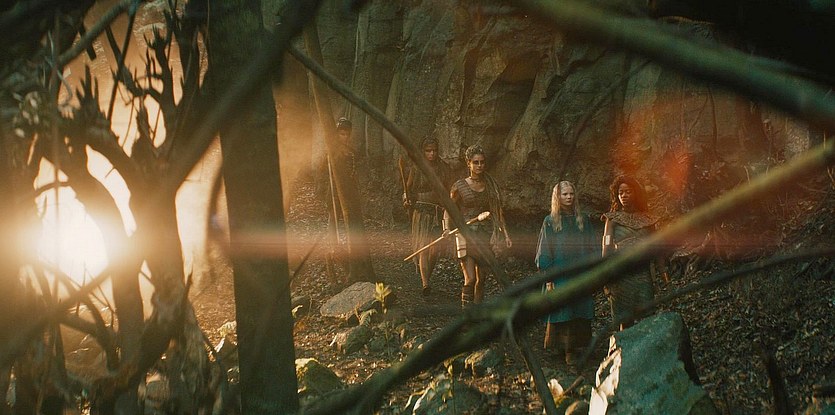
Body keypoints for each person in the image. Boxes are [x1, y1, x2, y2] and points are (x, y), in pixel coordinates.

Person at [536, 181, 596, 365]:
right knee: (564, 308)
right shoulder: (550, 221)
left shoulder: (583, 220)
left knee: (579, 306)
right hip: (560, 272)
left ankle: (578, 348)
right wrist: (549, 276)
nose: (569, 197)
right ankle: (563, 349)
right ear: (558, 197)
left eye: (571, 193)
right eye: (565, 194)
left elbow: (592, 246)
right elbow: (545, 250)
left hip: (580, 271)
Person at [446, 144, 512, 306]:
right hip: (465, 235)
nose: (479, 165)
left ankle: (477, 313)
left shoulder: (491, 185)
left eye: (482, 162)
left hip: (485, 235)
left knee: (481, 280)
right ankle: (466, 313)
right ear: (468, 163)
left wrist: (505, 235)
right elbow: (448, 209)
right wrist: (446, 228)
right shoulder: (460, 186)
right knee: (470, 279)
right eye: (475, 162)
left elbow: (498, 212)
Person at [601, 175, 660, 329]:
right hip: (621, 275)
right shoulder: (612, 219)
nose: (624, 196)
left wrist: (662, 273)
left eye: (628, 192)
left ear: (635, 193)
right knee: (624, 320)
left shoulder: (647, 219)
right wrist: (606, 278)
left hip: (643, 273)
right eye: (620, 193)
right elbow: (606, 248)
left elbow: (656, 247)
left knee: (648, 317)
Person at [403, 137, 453, 296]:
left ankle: (427, 278)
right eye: (428, 151)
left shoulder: (444, 168)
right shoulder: (417, 167)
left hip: (438, 211)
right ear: (423, 152)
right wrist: (406, 199)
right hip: (422, 211)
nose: (432, 154)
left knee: (435, 249)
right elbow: (408, 189)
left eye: (434, 150)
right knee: (423, 247)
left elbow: (450, 190)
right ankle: (425, 283)